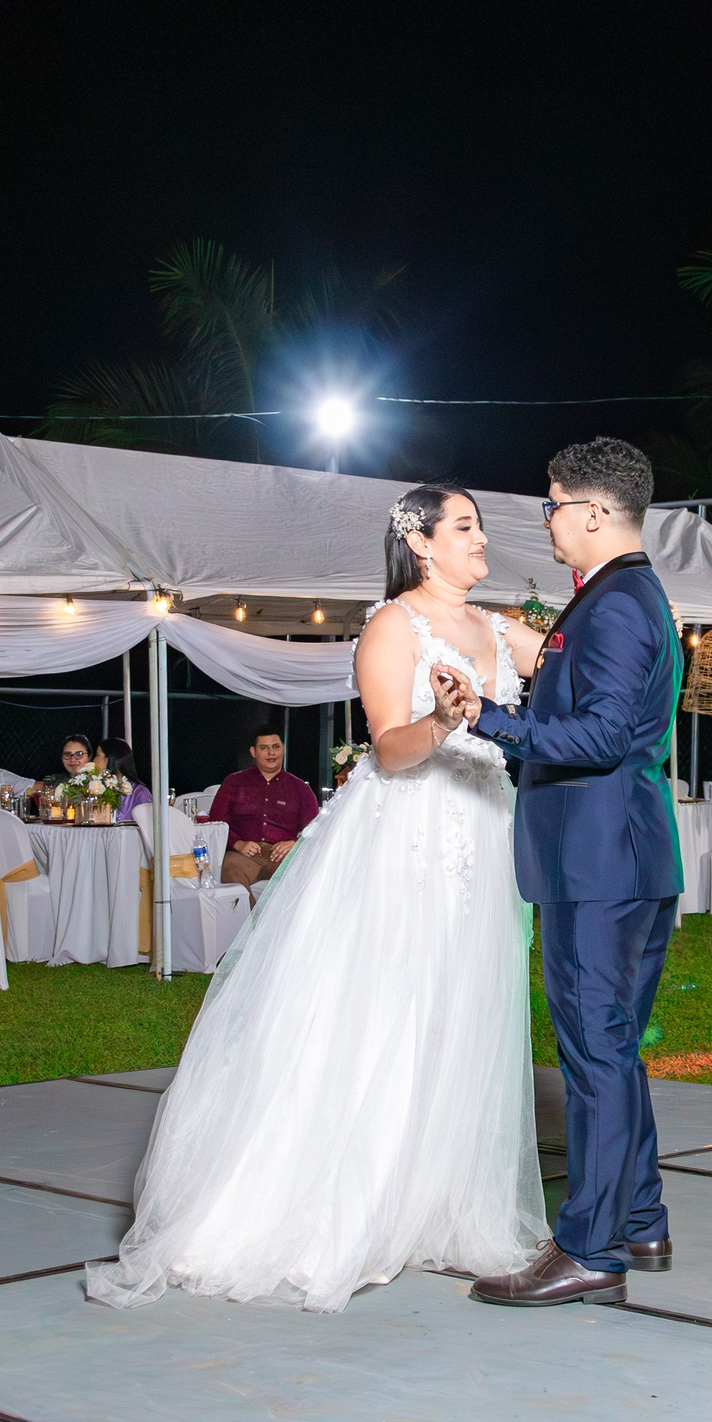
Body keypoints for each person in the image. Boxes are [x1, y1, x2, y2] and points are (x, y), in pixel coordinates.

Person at [87, 479, 548, 1314]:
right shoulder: (390, 627)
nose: (484, 542)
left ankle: (435, 1199)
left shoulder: (497, 628)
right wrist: (447, 722)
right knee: (389, 1014)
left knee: (462, 1014)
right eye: (468, 528)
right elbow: (393, 750)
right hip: (405, 843)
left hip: (483, 841)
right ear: (422, 541)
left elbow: (572, 665)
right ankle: (350, 1203)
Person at [435, 436, 682, 1309]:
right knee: (617, 1048)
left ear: (590, 512)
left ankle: (590, 1249)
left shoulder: (616, 605)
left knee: (596, 1054)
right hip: (625, 853)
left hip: (596, 863)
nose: (543, 519)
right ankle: (640, 1218)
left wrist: (494, 722)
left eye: (550, 503)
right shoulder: (624, 597)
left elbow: (605, 737)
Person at [207, 729, 317, 895]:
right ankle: (252, 921)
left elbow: (316, 827)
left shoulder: (300, 788)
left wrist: (295, 843)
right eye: (264, 747)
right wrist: (238, 844)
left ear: (283, 749)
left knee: (305, 877)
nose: (271, 752)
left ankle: (283, 921)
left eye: (276, 746)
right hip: (244, 855)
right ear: (253, 751)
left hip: (283, 856)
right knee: (231, 873)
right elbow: (216, 822)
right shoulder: (235, 782)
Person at [96, 737, 147, 823]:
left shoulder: (139, 792)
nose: (94, 760)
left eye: (97, 755)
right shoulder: (96, 788)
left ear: (110, 759)